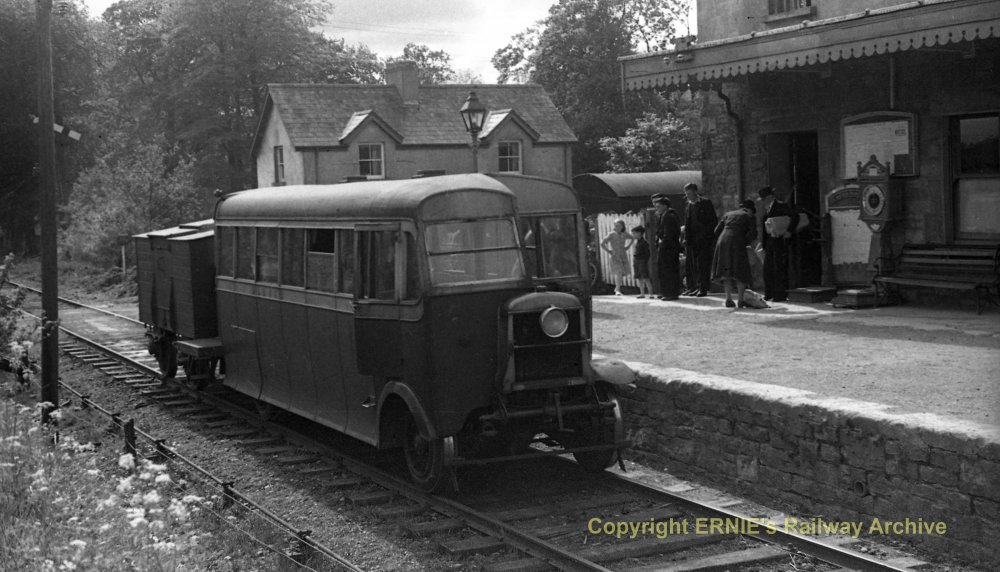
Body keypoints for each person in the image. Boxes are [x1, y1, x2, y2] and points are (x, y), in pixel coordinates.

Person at [712, 199, 758, 308]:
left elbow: (716, 231)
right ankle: (741, 300)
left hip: (722, 242)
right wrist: (745, 242)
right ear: (750, 210)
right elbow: (753, 233)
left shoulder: (728, 214)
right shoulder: (749, 216)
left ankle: (728, 298)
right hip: (737, 242)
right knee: (741, 271)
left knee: (726, 271)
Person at [682, 183, 718, 297]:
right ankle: (695, 286)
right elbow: (688, 223)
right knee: (694, 265)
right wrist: (686, 238)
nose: (687, 196)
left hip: (704, 239)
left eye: (689, 193)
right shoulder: (688, 205)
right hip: (692, 240)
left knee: (703, 264)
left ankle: (703, 288)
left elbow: (713, 221)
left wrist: (705, 235)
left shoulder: (705, 203)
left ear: (695, 192)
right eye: (686, 193)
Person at [759, 186, 793, 302]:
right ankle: (769, 293)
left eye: (764, 198)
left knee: (778, 268)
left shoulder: (781, 206)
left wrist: (789, 231)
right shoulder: (767, 208)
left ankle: (780, 294)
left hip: (779, 241)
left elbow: (794, 218)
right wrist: (763, 245)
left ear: (769, 197)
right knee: (768, 268)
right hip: (769, 242)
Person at [653, 197, 682, 300]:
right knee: (664, 270)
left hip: (669, 248)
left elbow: (669, 233)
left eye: (658, 206)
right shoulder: (663, 215)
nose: (657, 208)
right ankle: (666, 291)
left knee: (669, 270)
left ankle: (671, 293)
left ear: (665, 206)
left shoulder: (669, 216)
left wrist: (662, 243)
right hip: (666, 247)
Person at [601, 218, 633, 296]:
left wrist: (628, 246)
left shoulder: (624, 234)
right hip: (615, 255)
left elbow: (632, 238)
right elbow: (602, 243)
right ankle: (617, 289)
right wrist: (609, 251)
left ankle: (617, 288)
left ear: (622, 226)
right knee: (618, 272)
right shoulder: (611, 234)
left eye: (619, 226)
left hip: (623, 255)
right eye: (615, 226)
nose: (617, 227)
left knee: (621, 272)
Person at [630, 225, 652, 298]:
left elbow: (647, 253)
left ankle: (650, 294)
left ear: (639, 233)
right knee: (639, 277)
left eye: (634, 233)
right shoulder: (638, 242)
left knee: (645, 277)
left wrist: (644, 261)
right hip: (637, 260)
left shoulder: (644, 242)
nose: (633, 235)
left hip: (642, 260)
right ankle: (642, 293)